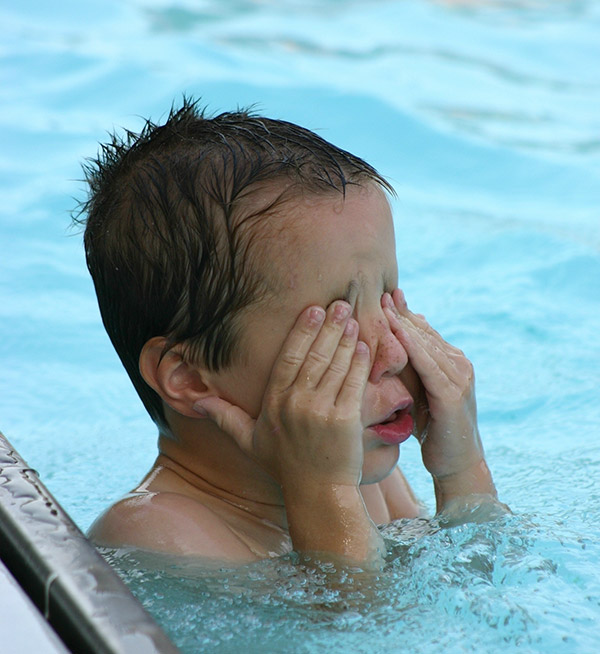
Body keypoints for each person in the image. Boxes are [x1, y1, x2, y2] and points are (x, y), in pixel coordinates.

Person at [78, 98, 504, 567]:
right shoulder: (157, 533)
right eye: (335, 323)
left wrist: (462, 469)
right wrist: (323, 492)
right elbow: (360, 631)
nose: (394, 352)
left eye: (388, 298)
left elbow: (481, 585)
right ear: (191, 376)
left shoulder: (363, 464)